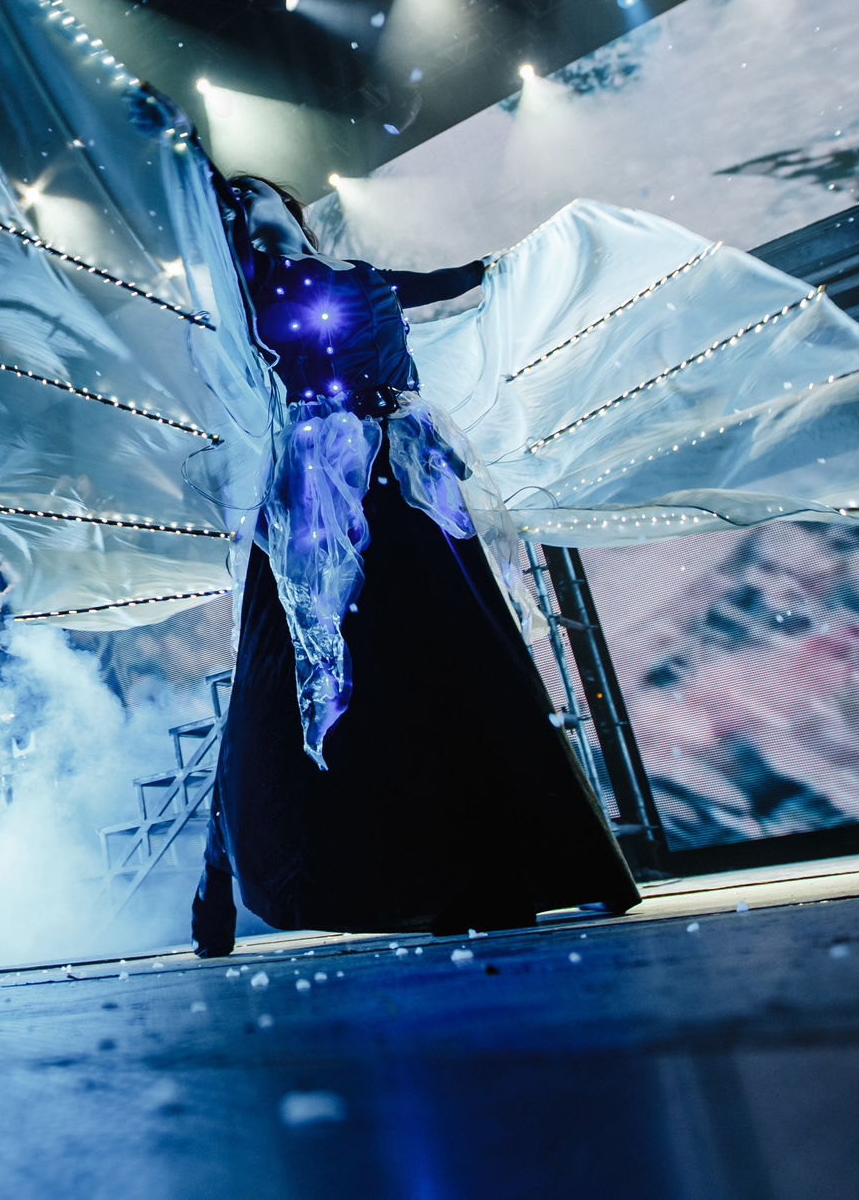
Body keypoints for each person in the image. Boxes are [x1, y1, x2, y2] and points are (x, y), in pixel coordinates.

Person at [191, 177, 638, 953]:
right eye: (232, 205)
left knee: (453, 662)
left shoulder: (359, 278)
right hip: (317, 496)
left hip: (401, 483)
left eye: (254, 196)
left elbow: (434, 286)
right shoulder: (242, 299)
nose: (246, 207)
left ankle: (500, 867)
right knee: (295, 684)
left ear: (287, 209)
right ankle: (248, 885)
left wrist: (495, 270)